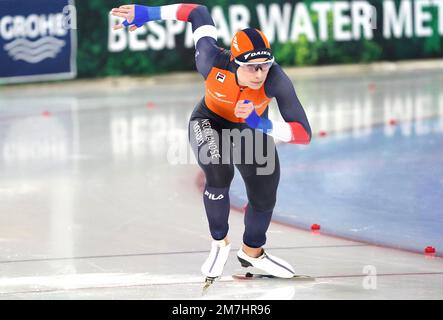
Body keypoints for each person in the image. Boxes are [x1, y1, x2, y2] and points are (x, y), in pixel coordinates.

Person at [111, 3, 311, 280]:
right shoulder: (210, 58)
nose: (259, 73)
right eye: (251, 67)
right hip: (209, 121)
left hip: (251, 128)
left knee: (265, 190)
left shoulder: (276, 79)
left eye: (265, 65)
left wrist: (260, 123)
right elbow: (197, 12)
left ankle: (253, 253)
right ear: (235, 61)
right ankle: (220, 242)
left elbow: (303, 133)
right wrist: (148, 13)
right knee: (219, 171)